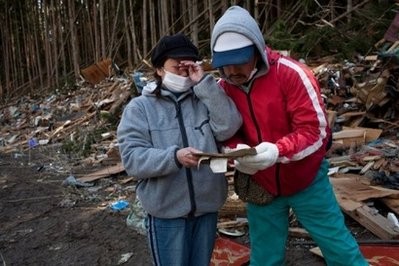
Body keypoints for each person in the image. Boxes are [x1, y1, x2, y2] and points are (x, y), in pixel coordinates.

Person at [210, 6, 369, 266]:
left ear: (257, 52)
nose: (231, 71)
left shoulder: (291, 74)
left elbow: (314, 131)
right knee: (264, 256)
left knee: (338, 248)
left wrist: (277, 151)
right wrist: (234, 151)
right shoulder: (224, 87)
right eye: (224, 65)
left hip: (306, 178)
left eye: (239, 61)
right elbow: (223, 130)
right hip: (261, 183)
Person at [117, 33, 242, 266]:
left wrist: (203, 83)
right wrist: (174, 157)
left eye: (188, 67)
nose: (183, 74)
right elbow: (132, 159)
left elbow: (228, 126)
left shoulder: (203, 98)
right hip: (166, 213)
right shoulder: (140, 108)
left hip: (207, 208)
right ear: (159, 70)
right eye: (177, 68)